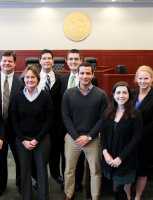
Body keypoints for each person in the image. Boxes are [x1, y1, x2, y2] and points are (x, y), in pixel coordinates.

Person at [62, 62, 108, 200]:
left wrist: (88, 137)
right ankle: (69, 194)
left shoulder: (101, 94)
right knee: (69, 170)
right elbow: (65, 116)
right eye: (82, 73)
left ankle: (95, 196)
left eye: (88, 73)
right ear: (77, 74)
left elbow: (102, 118)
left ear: (93, 75)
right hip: (72, 137)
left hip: (93, 138)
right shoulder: (69, 93)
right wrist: (77, 136)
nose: (85, 76)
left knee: (95, 171)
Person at [12, 65, 53, 200]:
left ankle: (43, 197)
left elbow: (49, 120)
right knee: (25, 170)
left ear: (37, 79)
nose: (30, 79)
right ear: (23, 79)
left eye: (33, 77)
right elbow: (15, 120)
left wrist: (37, 140)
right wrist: (23, 140)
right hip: (22, 140)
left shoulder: (45, 96)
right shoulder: (17, 96)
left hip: (41, 139)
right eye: (27, 77)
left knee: (42, 171)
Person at [60, 49, 98, 193]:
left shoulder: (95, 86)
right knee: (68, 162)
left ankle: (78, 183)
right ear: (67, 60)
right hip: (68, 128)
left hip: (88, 130)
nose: (73, 61)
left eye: (76, 58)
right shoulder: (62, 79)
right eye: (70, 58)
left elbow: (95, 106)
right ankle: (68, 188)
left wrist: (88, 135)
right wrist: (74, 134)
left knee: (84, 161)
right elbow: (62, 108)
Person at [124, 66, 153, 200]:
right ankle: (128, 195)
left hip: (144, 140)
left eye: (146, 78)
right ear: (136, 79)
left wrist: (136, 136)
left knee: (142, 171)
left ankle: (138, 197)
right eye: (140, 78)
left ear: (152, 79)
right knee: (128, 169)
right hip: (128, 140)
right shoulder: (131, 93)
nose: (143, 81)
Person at [101, 81, 143, 200]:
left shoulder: (135, 114)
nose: (121, 95)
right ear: (113, 95)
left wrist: (120, 158)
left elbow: (136, 139)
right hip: (109, 157)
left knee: (117, 188)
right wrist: (105, 152)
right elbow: (102, 133)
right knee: (115, 188)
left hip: (125, 159)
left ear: (129, 95)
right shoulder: (109, 112)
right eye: (118, 92)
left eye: (124, 92)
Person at [0, 50, 23, 196]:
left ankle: (21, 184)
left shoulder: (22, 80)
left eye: (10, 61)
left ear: (15, 63)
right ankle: (0, 185)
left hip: (17, 128)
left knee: (20, 158)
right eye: (4, 61)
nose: (7, 63)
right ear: (0, 62)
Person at [31, 49, 63, 189]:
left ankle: (55, 173)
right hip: (38, 121)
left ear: (53, 61)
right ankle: (37, 177)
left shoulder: (61, 78)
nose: (47, 60)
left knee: (55, 148)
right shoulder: (33, 77)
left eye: (49, 58)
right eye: (44, 58)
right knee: (38, 149)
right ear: (40, 61)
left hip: (56, 120)